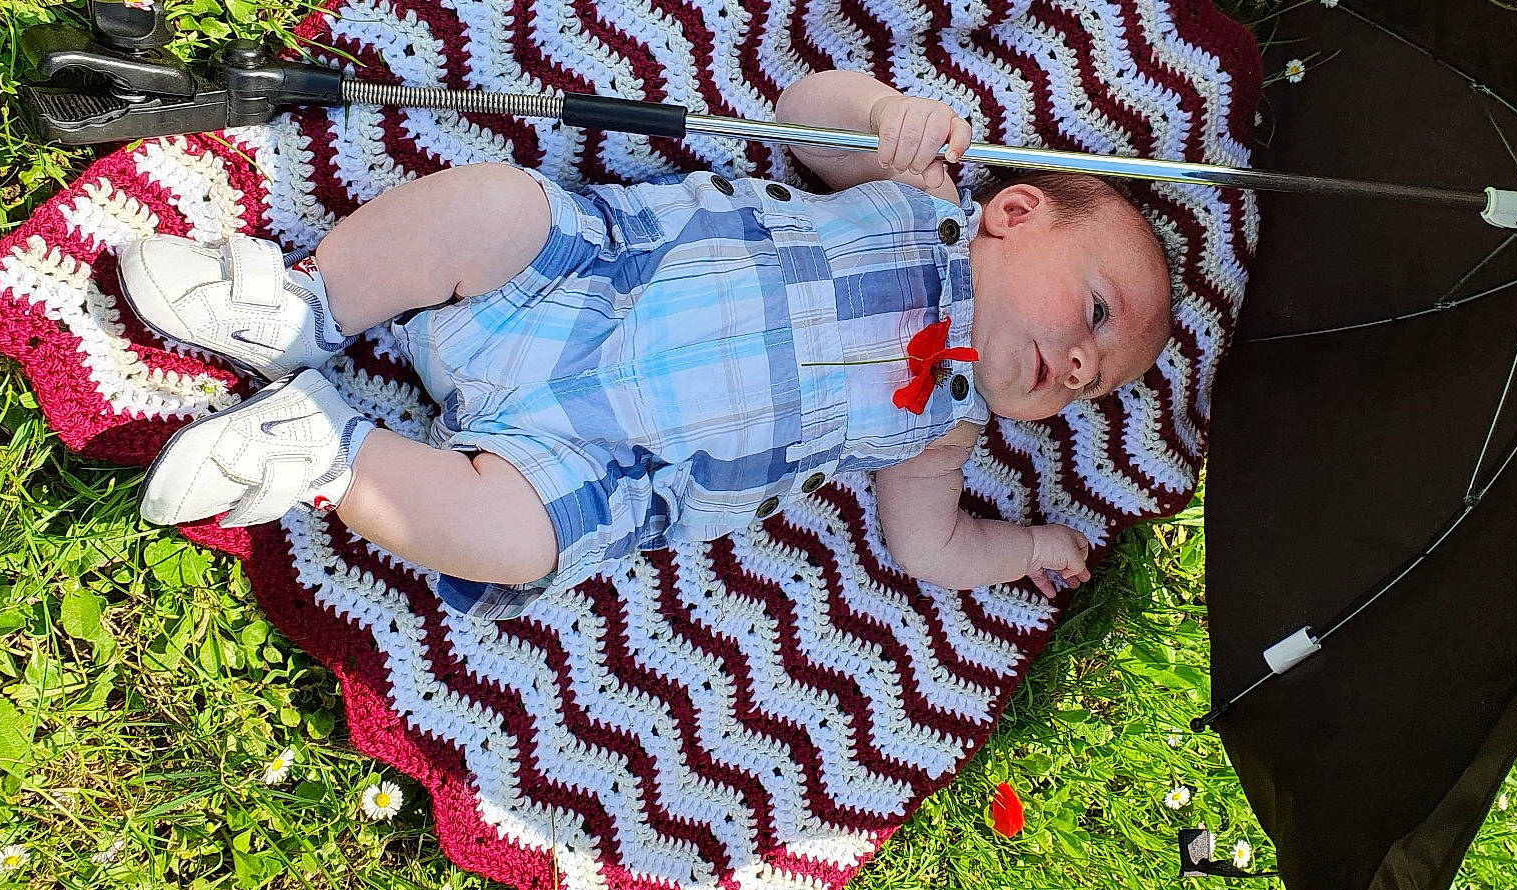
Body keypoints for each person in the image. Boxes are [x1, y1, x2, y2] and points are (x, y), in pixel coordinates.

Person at [124, 69, 1174, 617]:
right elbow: (799, 116)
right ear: (1017, 212)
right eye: (1092, 312)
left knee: (515, 540)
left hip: (607, 467)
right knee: (495, 207)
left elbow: (925, 547)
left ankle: (326, 449)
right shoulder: (915, 192)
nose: (1080, 365)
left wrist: (1028, 547)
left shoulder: (940, 439)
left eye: (1092, 382)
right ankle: (311, 305)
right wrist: (885, 114)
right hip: (586, 278)